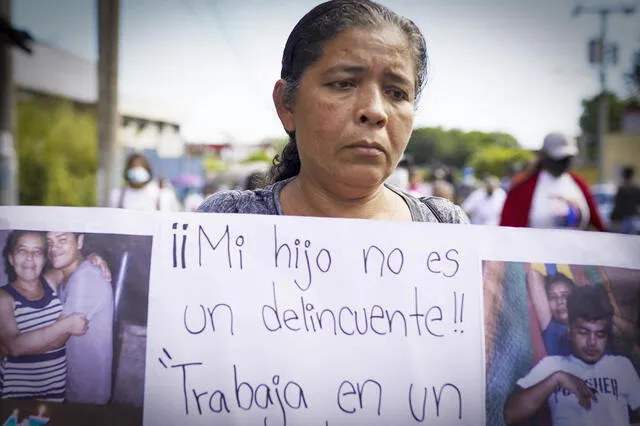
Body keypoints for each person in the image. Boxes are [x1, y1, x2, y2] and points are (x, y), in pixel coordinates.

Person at [199, 0, 468, 224]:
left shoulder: (445, 228)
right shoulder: (227, 221)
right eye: (343, 84)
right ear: (286, 104)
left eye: (397, 93)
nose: (374, 111)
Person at [503, 285, 640, 426]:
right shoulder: (552, 365)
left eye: (600, 334)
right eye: (583, 332)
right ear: (569, 328)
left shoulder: (621, 366)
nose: (592, 342)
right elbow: (511, 414)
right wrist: (557, 378)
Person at [0, 231, 88, 401]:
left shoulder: (50, 281)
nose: (30, 258)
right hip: (18, 394)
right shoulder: (4, 296)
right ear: (11, 258)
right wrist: (65, 326)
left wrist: (94, 257)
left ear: (45, 259)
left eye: (37, 251)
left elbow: (75, 262)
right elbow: (14, 347)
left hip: (55, 391)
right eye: (22, 250)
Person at [45, 232, 114, 404]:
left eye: (62, 240)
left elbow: (55, 340)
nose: (53, 248)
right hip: (71, 386)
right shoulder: (68, 275)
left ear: (80, 241)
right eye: (49, 242)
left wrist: (12, 345)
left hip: (86, 396)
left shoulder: (86, 277)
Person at [500, 132, 605, 231]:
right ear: (544, 156)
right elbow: (508, 232)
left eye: (567, 158)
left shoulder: (578, 183)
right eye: (559, 159)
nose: (563, 163)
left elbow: (598, 225)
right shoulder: (523, 189)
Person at [109, 153, 182, 211]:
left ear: (148, 170)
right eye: (133, 166)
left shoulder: (163, 194)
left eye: (141, 166)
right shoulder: (117, 195)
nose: (137, 169)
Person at [527, 270, 576, 356]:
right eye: (553, 298)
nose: (560, 301)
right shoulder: (552, 329)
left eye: (565, 296)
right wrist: (549, 280)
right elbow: (533, 276)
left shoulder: (592, 326)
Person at [610, 165, 640, 234]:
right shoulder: (636, 188)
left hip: (622, 220)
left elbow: (617, 205)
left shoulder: (621, 188)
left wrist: (614, 218)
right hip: (633, 218)